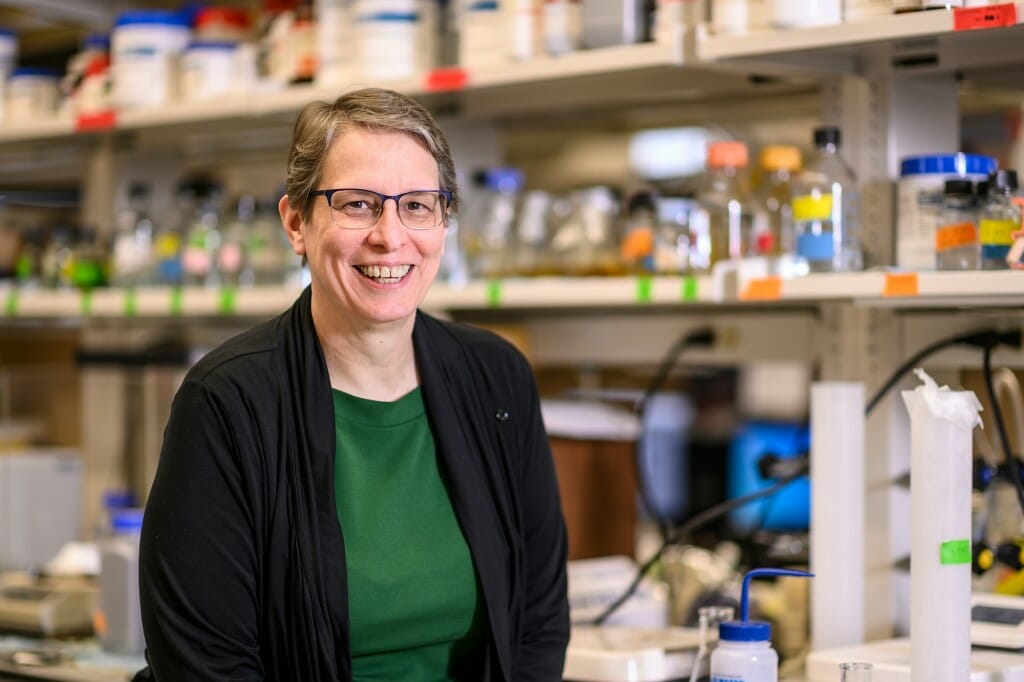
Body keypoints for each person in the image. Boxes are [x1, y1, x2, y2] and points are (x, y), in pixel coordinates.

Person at [137, 87, 570, 681]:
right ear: (296, 222)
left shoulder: (496, 378)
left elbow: (538, 618)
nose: (390, 237)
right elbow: (206, 666)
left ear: (444, 222)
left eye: (418, 205)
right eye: (358, 204)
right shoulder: (228, 402)